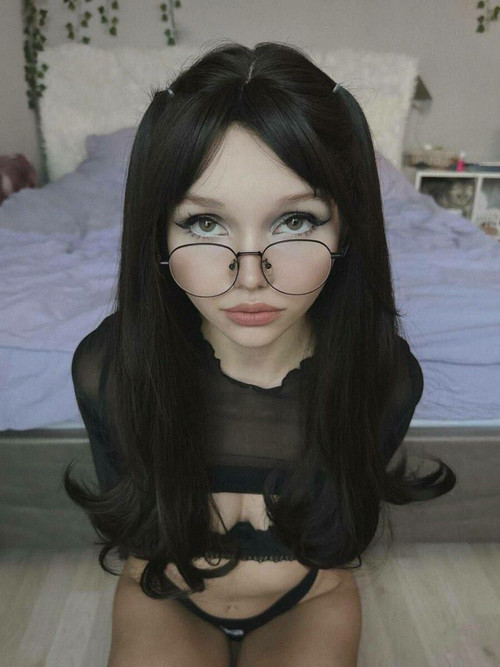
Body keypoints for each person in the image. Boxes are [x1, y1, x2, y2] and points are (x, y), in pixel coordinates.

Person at [65, 40, 456, 666]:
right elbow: (134, 530)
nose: (250, 277)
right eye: (204, 223)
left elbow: (343, 529)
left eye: (296, 221)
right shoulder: (109, 370)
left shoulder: (384, 377)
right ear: (158, 234)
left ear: (346, 228)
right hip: (165, 597)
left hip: (310, 599)